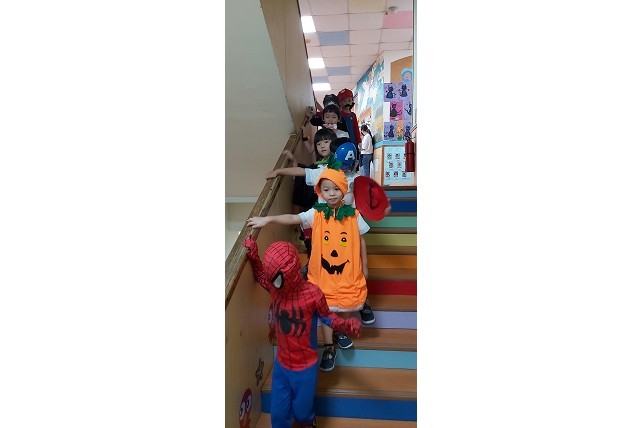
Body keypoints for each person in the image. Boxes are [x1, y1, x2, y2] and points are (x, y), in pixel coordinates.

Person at [247, 168, 369, 372]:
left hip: (348, 271)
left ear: (343, 189)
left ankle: (341, 331)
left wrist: (365, 266)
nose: (331, 194)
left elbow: (362, 241)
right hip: (323, 273)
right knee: (328, 307)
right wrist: (267, 220)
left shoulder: (355, 216)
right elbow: (293, 219)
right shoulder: (316, 214)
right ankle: (329, 347)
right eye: (326, 190)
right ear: (320, 192)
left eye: (335, 189)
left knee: (346, 303)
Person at [243, 235, 361, 428]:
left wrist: (346, 325)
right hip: (282, 365)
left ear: (289, 273)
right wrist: (254, 256)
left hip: (306, 367)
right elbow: (262, 277)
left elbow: (327, 317)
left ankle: (309, 420)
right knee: (278, 416)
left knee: (302, 413)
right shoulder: (275, 289)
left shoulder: (313, 294)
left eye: (277, 279)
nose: (275, 283)